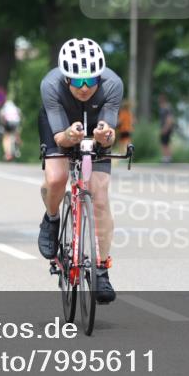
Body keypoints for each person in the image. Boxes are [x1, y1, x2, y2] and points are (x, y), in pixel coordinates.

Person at [37, 37, 122, 304]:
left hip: (95, 125)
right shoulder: (50, 85)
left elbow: (109, 135)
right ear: (65, 80)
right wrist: (70, 136)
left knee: (99, 195)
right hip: (61, 126)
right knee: (56, 178)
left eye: (90, 80)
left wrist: (105, 135)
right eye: (76, 81)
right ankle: (52, 219)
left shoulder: (112, 85)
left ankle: (101, 270)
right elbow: (61, 139)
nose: (84, 88)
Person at [158, 94, 174, 163]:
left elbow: (169, 119)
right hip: (165, 128)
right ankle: (166, 157)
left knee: (165, 143)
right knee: (164, 143)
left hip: (166, 128)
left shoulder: (167, 108)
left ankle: (167, 158)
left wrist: (165, 128)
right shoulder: (163, 108)